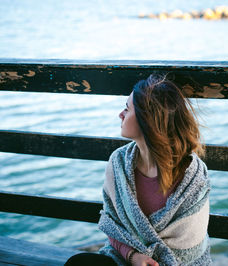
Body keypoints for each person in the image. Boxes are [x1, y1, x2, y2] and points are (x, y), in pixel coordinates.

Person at [65, 74, 211, 266]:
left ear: (148, 119)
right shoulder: (118, 163)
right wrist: (134, 257)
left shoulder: (192, 177)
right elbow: (113, 226)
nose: (120, 114)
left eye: (127, 109)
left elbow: (189, 248)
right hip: (127, 261)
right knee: (79, 262)